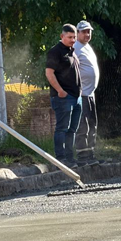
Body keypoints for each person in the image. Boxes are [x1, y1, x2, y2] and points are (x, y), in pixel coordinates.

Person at [45, 24, 82, 168]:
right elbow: (49, 73)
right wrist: (60, 91)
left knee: (72, 129)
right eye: (70, 37)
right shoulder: (55, 51)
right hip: (63, 97)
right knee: (62, 128)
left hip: (76, 97)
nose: (73, 40)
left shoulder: (72, 51)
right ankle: (60, 159)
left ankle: (70, 159)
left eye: (74, 37)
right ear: (62, 36)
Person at [73, 20, 101, 166]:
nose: (87, 34)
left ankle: (90, 154)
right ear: (77, 33)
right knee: (82, 126)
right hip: (81, 94)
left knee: (92, 124)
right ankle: (82, 156)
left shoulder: (87, 47)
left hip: (90, 93)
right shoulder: (75, 48)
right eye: (83, 31)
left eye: (88, 31)